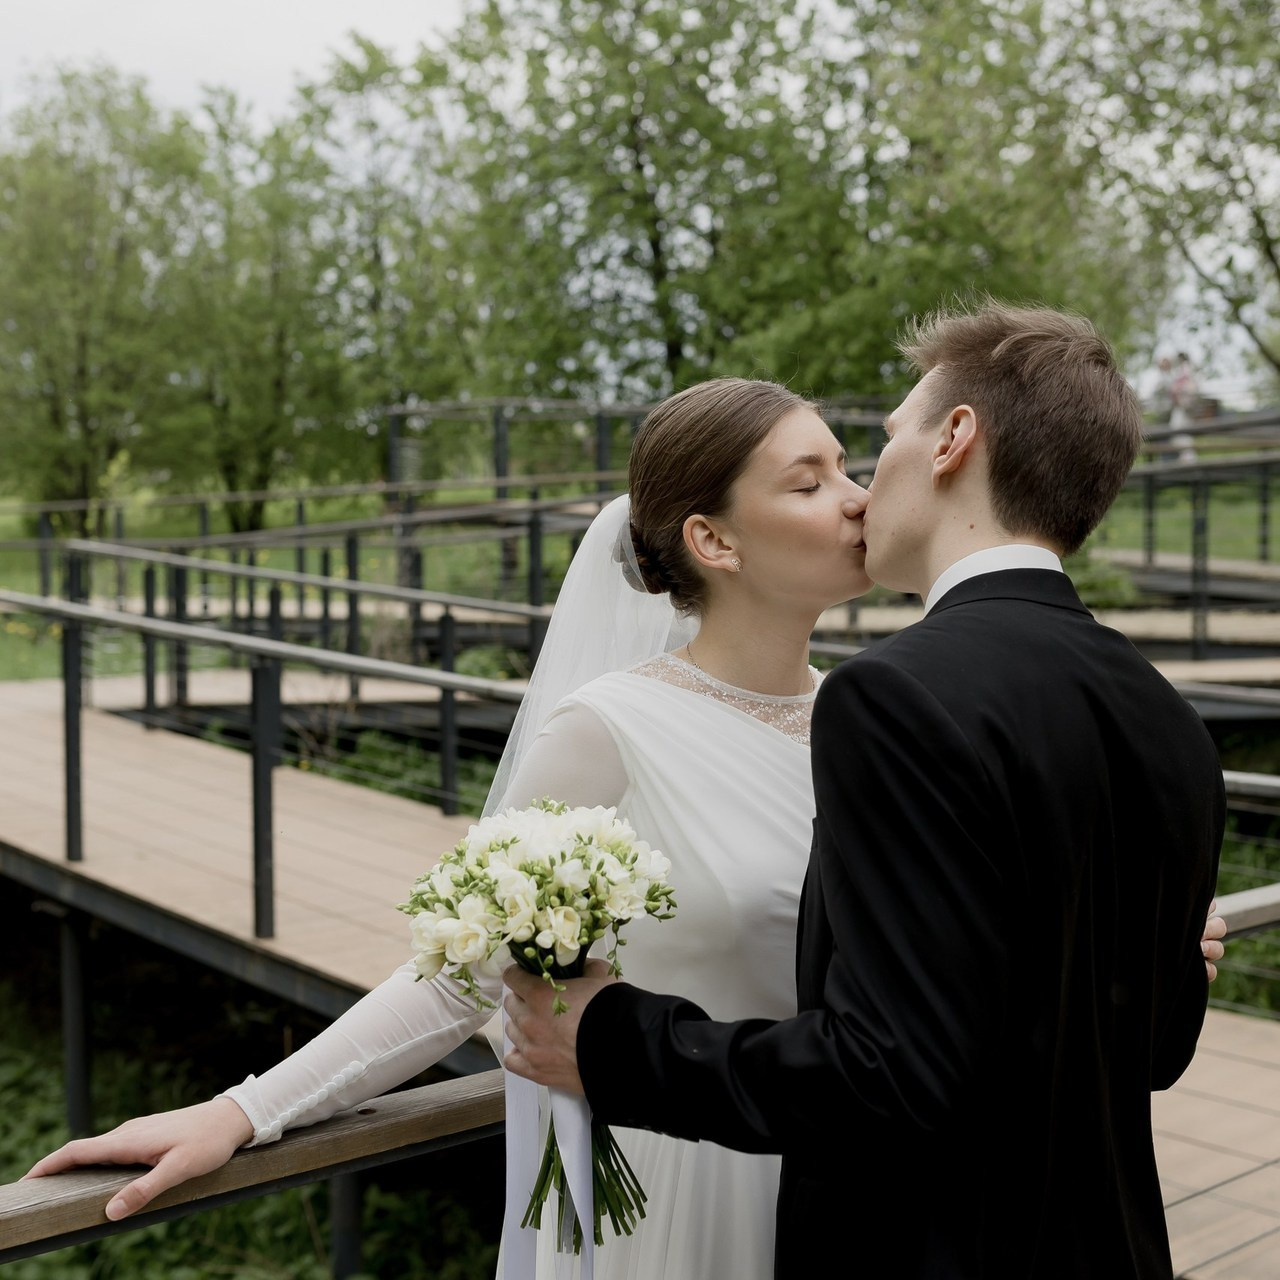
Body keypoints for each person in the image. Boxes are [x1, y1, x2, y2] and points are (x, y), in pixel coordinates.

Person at [26, 366, 1226, 1278]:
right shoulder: (611, 728)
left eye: (848, 467)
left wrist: (1133, 944)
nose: (859, 496)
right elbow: (462, 967)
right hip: (682, 1179)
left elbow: (952, 969)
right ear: (711, 538)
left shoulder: (879, 712)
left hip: (859, 1193)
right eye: (808, 481)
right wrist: (242, 1109)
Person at [504, 302, 1228, 1279]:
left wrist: (617, 1037)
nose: (860, 488)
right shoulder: (1165, 718)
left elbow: (886, 1072)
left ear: (953, 440)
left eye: (881, 440)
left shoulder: (893, 696)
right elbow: (1150, 1047)